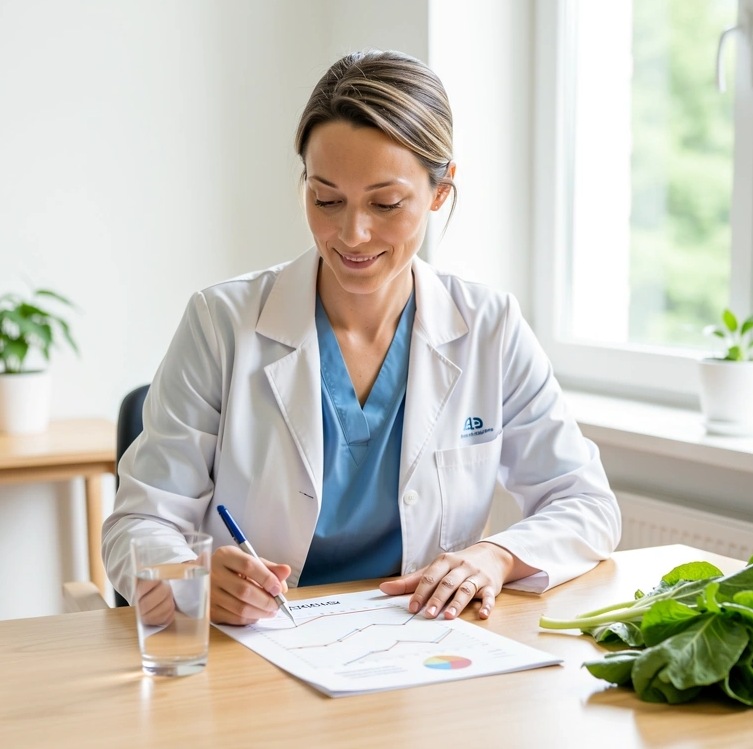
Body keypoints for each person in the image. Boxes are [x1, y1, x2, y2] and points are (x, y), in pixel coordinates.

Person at [102, 50, 621, 627]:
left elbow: (587, 504)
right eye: (326, 199)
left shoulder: (489, 328)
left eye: (386, 203)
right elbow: (137, 524)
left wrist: (495, 556)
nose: (352, 234)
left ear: (440, 192)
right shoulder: (220, 323)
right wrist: (192, 577)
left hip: (422, 645)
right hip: (257, 646)